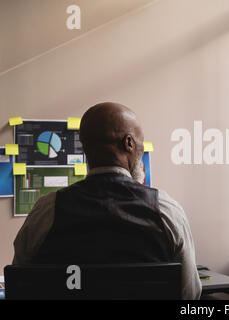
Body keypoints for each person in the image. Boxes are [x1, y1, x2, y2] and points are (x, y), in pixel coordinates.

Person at [12, 102, 201, 300]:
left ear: (85, 148)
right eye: (140, 145)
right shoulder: (165, 210)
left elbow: (20, 285)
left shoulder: (47, 210)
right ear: (128, 143)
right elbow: (189, 294)